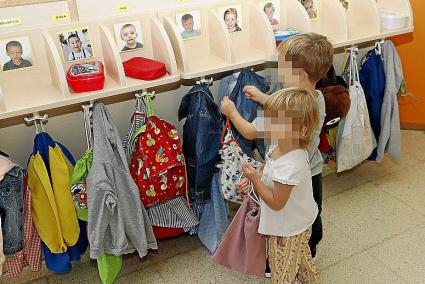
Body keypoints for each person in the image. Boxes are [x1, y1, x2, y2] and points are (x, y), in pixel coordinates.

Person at [220, 33, 334, 260]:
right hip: (312, 171)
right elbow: (289, 105)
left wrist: (231, 112)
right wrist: (264, 98)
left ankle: (290, 253)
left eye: (283, 68)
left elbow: (251, 131)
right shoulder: (316, 99)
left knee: (283, 212)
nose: (280, 72)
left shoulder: (287, 111)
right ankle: (309, 249)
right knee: (311, 211)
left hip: (284, 172)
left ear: (299, 74)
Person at [236, 88, 320, 283]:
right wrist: (254, 178)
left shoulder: (291, 165)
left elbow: (276, 202)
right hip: (300, 221)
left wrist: (255, 181)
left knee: (281, 272)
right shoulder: (281, 145)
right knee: (302, 257)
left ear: (302, 130)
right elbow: (270, 170)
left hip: (286, 231)